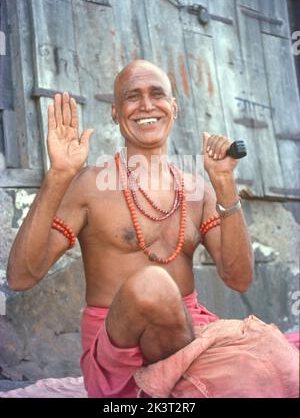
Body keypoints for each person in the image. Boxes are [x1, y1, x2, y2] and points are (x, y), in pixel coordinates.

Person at [7, 60, 293, 398]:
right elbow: (20, 277)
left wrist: (224, 184)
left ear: (173, 108)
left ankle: (196, 378)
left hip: (189, 333)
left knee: (282, 362)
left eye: (157, 94)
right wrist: (58, 175)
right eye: (132, 97)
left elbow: (239, 278)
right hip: (119, 359)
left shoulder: (199, 190)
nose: (146, 105)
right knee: (152, 285)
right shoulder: (89, 185)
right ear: (115, 113)